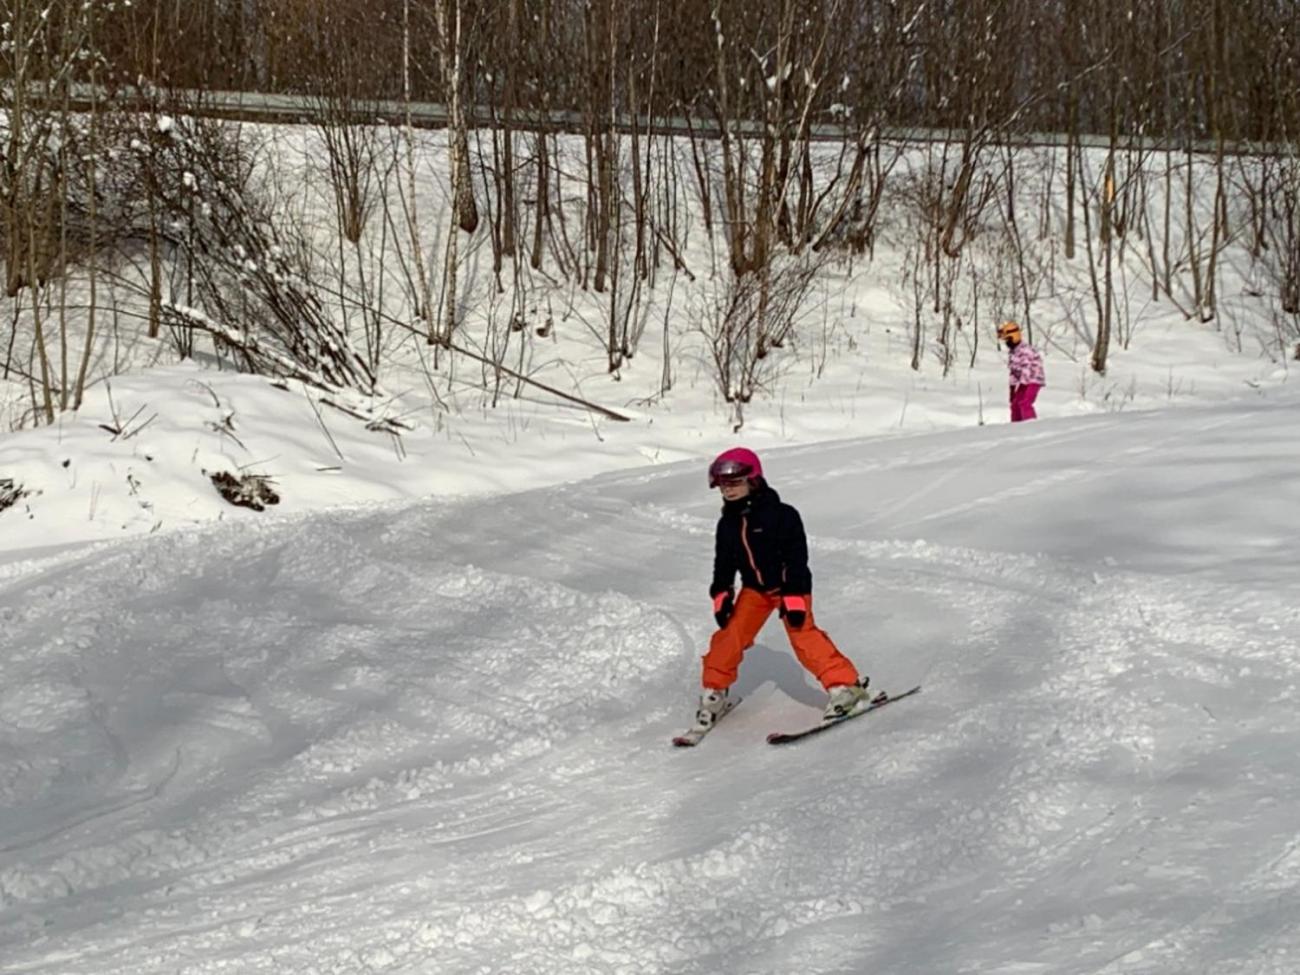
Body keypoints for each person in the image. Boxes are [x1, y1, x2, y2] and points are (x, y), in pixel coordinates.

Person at [693, 447, 869, 731]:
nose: (729, 490)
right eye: (724, 485)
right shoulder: (727, 524)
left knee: (803, 636)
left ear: (754, 480)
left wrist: (793, 596)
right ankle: (715, 692)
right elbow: (723, 564)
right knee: (729, 637)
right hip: (755, 591)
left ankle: (846, 688)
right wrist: (722, 593)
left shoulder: (783, 515)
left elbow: (796, 558)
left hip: (789, 587)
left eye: (735, 482)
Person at [998, 320, 1045, 422]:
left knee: (1024, 402)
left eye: (1008, 340)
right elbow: (1014, 372)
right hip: (1024, 381)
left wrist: (1022, 386)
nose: (1007, 343)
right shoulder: (1013, 352)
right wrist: (1012, 388)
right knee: (1015, 403)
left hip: (1034, 379)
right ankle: (1016, 426)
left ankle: (1030, 425)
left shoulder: (1025, 350)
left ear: (1014, 337)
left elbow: (1026, 370)